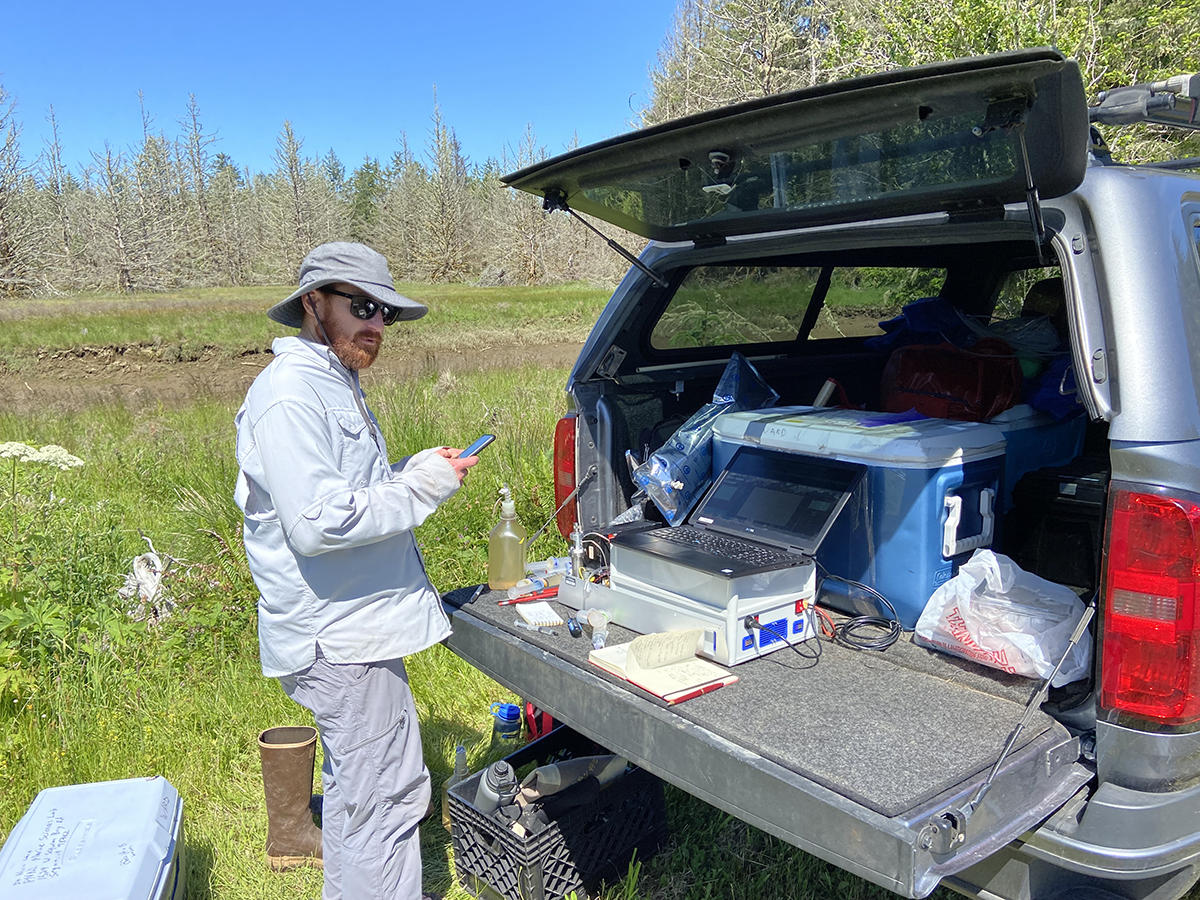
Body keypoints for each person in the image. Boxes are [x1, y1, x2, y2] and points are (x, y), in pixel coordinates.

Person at [234, 241, 477, 900]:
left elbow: (344, 497)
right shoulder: (289, 395)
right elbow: (317, 524)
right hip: (337, 637)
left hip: (357, 626)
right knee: (383, 803)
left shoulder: (330, 380)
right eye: (362, 306)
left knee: (366, 796)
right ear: (313, 303)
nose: (375, 325)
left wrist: (411, 473)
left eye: (385, 314)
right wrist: (424, 489)